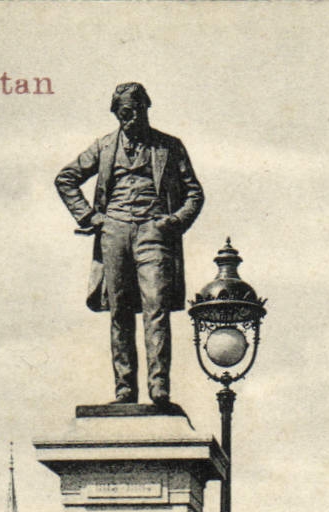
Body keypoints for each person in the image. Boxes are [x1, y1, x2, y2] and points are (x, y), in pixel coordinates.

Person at [55, 83, 204, 405]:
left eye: (138, 111)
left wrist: (174, 221)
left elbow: (194, 193)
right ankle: (124, 389)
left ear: (147, 108)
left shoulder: (169, 146)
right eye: (125, 113)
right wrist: (91, 217)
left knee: (156, 308)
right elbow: (65, 179)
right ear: (116, 114)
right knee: (119, 311)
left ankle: (159, 387)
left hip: (155, 232)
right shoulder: (104, 146)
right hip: (115, 232)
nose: (132, 118)